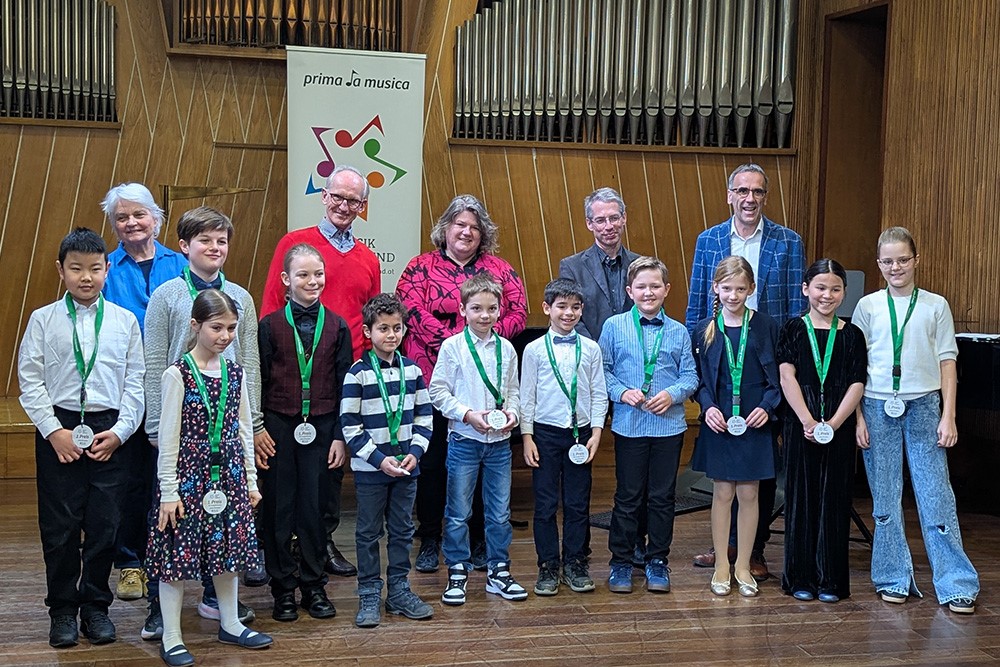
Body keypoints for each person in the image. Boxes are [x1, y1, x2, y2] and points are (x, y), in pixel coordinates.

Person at [18, 228, 145, 649]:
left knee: (105, 524)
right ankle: (62, 610)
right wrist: (54, 431)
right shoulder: (43, 319)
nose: (85, 277)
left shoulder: (125, 322)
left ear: (108, 269)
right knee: (60, 526)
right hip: (60, 429)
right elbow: (30, 381)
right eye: (76, 269)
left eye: (94, 268)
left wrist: (121, 432)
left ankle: (95, 607)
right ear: (61, 271)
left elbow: (136, 383)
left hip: (109, 431)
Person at [685, 162, 807, 580]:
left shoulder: (788, 242)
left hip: (765, 364)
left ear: (765, 197)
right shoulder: (709, 240)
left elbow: (795, 308)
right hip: (721, 356)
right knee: (725, 468)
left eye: (757, 191)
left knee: (759, 463)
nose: (749, 198)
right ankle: (727, 548)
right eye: (741, 190)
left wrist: (788, 369)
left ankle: (754, 551)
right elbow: (698, 303)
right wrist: (700, 354)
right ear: (729, 195)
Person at [143, 207, 260, 632]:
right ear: (184, 246)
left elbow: (250, 360)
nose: (214, 248)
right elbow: (154, 357)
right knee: (171, 529)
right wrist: (156, 424)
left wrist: (257, 422)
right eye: (205, 240)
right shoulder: (167, 294)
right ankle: (161, 617)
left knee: (223, 530)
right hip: (183, 425)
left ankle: (220, 606)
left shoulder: (242, 298)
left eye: (221, 241)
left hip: (228, 431)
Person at [396, 194, 527, 574]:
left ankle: (480, 538)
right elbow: (410, 310)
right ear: (445, 230)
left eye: (474, 226)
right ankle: (432, 534)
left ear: (483, 233)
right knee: (434, 460)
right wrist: (458, 342)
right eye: (459, 225)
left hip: (485, 384)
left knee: (484, 464)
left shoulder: (500, 270)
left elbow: (517, 310)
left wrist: (481, 337)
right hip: (430, 376)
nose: (466, 232)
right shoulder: (419, 267)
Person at [260, 164, 378, 578]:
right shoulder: (295, 244)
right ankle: (277, 547)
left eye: (354, 201)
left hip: (342, 374)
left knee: (328, 467)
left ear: (363, 206)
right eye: (338, 197)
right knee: (284, 470)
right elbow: (272, 308)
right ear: (325, 197)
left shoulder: (367, 259)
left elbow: (370, 319)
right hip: (292, 375)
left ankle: (322, 542)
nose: (345, 206)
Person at [853, 227, 979, 614]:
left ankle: (956, 581)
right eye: (888, 261)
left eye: (903, 260)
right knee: (885, 498)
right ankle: (893, 577)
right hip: (876, 406)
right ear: (879, 265)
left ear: (915, 260)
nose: (896, 267)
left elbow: (947, 361)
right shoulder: (867, 306)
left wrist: (949, 416)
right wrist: (858, 417)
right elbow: (854, 368)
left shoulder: (935, 305)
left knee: (936, 495)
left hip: (924, 406)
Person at [146, 290, 272, 666]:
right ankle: (171, 634)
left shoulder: (237, 373)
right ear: (195, 325)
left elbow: (244, 428)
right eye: (217, 327)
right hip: (187, 475)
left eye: (232, 328)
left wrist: (250, 480)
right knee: (176, 555)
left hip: (229, 473)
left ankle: (230, 622)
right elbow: (168, 437)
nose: (225, 336)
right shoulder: (177, 373)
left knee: (228, 551)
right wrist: (169, 490)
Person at [100, 183, 187, 608]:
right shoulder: (106, 269)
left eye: (139, 215)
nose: (131, 223)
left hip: (177, 391)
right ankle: (131, 562)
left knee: (169, 478)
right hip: (126, 392)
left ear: (156, 218)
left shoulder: (182, 263)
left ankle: (174, 559)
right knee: (132, 481)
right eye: (122, 217)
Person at [256, 244, 351, 623]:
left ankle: (314, 585)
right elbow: (259, 381)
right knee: (279, 509)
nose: (312, 282)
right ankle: (282, 588)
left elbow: (346, 384)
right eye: (303, 275)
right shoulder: (270, 325)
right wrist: (259, 429)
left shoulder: (338, 325)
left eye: (318, 274)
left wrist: (342, 436)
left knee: (315, 508)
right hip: (279, 425)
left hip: (324, 427)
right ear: (286, 280)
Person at [599, 256, 699, 594]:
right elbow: (604, 371)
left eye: (655, 285)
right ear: (630, 291)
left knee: (661, 497)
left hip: (669, 429)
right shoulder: (613, 327)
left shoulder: (679, 331)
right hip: (629, 427)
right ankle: (622, 562)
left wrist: (672, 395)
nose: (648, 292)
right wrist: (622, 392)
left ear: (667, 289)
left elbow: (690, 376)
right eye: (641, 286)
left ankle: (658, 559)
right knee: (628, 497)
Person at [429, 273, 526, 606]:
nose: (485, 315)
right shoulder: (453, 347)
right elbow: (437, 391)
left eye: (492, 308)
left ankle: (499, 570)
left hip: (499, 444)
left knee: (499, 512)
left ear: (500, 311)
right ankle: (457, 570)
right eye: (477, 308)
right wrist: (468, 414)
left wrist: (513, 414)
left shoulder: (508, 349)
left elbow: (513, 392)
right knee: (458, 512)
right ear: (462, 310)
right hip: (464, 441)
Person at [342, 293, 434, 627]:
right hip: (371, 470)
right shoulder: (357, 374)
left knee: (402, 530)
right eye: (383, 328)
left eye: (397, 328)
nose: (391, 335)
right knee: (368, 532)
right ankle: (368, 593)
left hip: (407, 468)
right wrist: (380, 460)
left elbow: (425, 416)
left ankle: (398, 589)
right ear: (368, 332)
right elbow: (350, 425)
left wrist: (415, 452)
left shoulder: (412, 371)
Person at [777, 259, 867, 603]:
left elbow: (857, 382)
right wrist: (807, 421)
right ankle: (799, 576)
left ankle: (831, 579)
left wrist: (835, 423)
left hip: (838, 427)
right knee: (801, 500)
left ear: (844, 293)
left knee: (835, 500)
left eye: (835, 289)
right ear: (805, 289)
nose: (827, 295)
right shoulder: (792, 329)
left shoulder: (853, 334)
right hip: (802, 425)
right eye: (820, 287)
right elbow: (788, 377)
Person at [690, 257, 780, 598]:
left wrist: (767, 408)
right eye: (726, 288)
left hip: (755, 420)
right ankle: (721, 566)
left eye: (741, 289)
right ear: (715, 288)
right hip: (721, 422)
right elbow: (699, 381)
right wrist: (709, 407)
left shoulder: (767, 326)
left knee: (750, 493)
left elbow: (778, 379)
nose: (733, 295)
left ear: (751, 289)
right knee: (723, 492)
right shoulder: (704, 328)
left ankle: (743, 563)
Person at [521, 278, 607, 596]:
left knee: (577, 503)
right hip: (544, 434)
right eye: (561, 306)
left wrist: (597, 431)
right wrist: (527, 436)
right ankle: (547, 564)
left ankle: (575, 561)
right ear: (547, 308)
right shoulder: (533, 350)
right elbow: (526, 395)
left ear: (581, 310)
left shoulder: (591, 349)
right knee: (544, 504)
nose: (568, 313)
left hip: (580, 435)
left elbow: (599, 393)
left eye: (575, 307)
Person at [558, 187, 642, 341]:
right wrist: (596, 351)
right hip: (592, 355)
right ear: (589, 224)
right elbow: (569, 315)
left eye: (614, 218)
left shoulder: (641, 265)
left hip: (636, 353)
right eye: (600, 220)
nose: (609, 226)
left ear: (624, 218)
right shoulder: (572, 267)